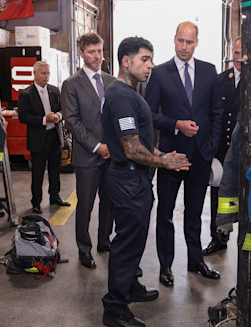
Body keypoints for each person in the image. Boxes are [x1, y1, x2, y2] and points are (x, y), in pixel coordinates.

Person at [101, 36, 191, 327]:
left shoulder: (131, 93)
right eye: (144, 59)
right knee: (127, 242)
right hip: (126, 178)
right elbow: (130, 148)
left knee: (136, 237)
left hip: (134, 178)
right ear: (126, 62)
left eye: (151, 59)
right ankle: (114, 308)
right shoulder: (122, 96)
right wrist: (163, 162)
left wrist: (162, 154)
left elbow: (140, 143)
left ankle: (130, 286)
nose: (150, 65)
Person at [144, 21, 224, 287]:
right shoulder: (160, 73)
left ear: (196, 43)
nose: (184, 47)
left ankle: (195, 260)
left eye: (189, 42)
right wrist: (175, 125)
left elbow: (216, 112)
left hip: (200, 156)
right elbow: (150, 115)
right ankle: (165, 266)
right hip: (170, 156)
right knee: (165, 212)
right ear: (174, 40)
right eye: (181, 41)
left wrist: (210, 146)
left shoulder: (209, 71)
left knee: (194, 213)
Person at [61, 32, 115, 270]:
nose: (96, 57)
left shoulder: (112, 82)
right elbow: (72, 121)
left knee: (109, 202)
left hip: (112, 155)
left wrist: (113, 146)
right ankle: (84, 248)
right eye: (91, 52)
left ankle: (105, 241)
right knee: (85, 205)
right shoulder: (71, 84)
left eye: (99, 51)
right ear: (81, 53)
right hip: (87, 156)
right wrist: (97, 146)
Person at [203, 37, 241, 256]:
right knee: (219, 196)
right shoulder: (220, 80)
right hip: (222, 151)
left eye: (243, 54)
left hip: (247, 151)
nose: (239, 58)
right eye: (235, 53)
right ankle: (218, 238)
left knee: (249, 199)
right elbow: (212, 116)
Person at [18, 61, 71, 213]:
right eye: (43, 73)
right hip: (38, 138)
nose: (46, 77)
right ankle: (36, 202)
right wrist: (43, 120)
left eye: (48, 73)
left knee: (55, 169)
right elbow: (23, 117)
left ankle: (55, 196)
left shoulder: (55, 91)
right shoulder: (26, 94)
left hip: (54, 136)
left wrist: (58, 116)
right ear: (34, 74)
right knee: (38, 173)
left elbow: (64, 109)